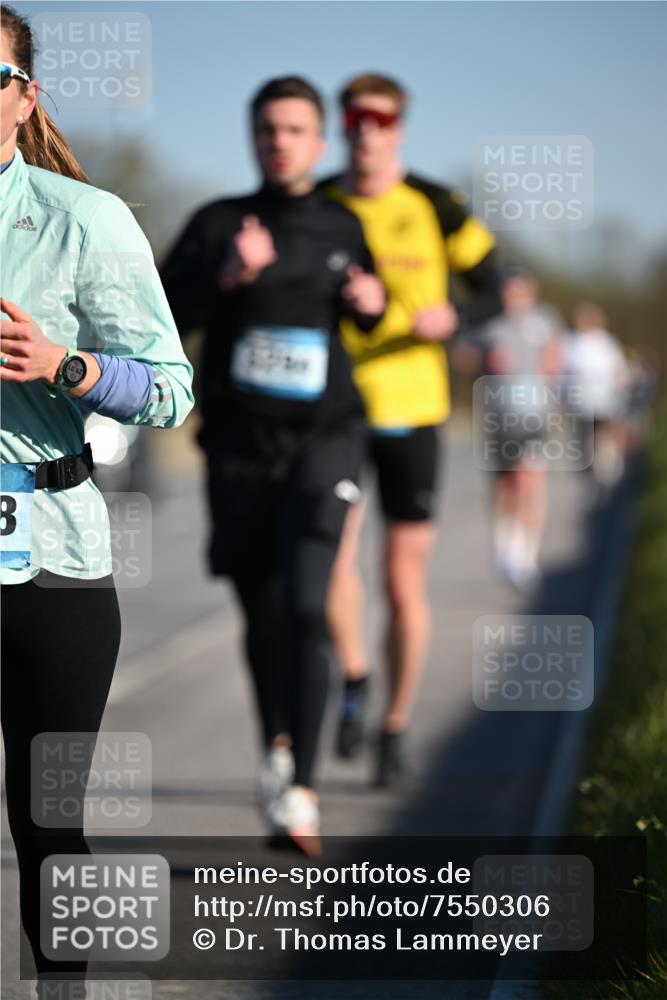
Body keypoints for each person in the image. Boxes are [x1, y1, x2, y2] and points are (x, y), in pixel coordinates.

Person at [0, 5, 194, 997]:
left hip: (55, 559)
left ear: (23, 97)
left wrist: (64, 364)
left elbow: (171, 387)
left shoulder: (85, 220)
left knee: (46, 820)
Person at [160, 76, 384, 853]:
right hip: (238, 447)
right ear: (252, 138)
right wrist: (226, 278)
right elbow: (158, 320)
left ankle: (304, 795)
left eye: (293, 130)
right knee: (260, 613)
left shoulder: (342, 223)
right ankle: (277, 752)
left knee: (306, 603)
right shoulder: (219, 224)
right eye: (267, 129)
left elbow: (365, 307)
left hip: (325, 440)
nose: (279, 141)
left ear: (317, 143)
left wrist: (371, 305)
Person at [324, 73, 502, 784]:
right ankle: (357, 678)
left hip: (414, 408)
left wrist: (454, 318)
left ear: (399, 128)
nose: (366, 130)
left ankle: (394, 726)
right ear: (342, 127)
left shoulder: (434, 204)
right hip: (333, 408)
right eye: (355, 118)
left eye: (381, 119)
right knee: (332, 561)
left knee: (401, 583)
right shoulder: (321, 202)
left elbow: (497, 285)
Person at [469, 268, 564, 588]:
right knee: (505, 484)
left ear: (531, 292)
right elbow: (463, 356)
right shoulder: (489, 322)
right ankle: (505, 542)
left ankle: (526, 553)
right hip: (500, 415)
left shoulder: (546, 319)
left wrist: (553, 362)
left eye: (522, 291)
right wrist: (485, 361)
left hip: (536, 414)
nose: (516, 297)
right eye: (510, 291)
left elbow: (558, 352)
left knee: (531, 478)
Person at [563, 302, 630, 493]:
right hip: (587, 401)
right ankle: (596, 470)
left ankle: (602, 468)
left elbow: (618, 371)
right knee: (590, 437)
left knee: (597, 435)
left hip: (597, 399)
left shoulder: (600, 343)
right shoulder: (577, 343)